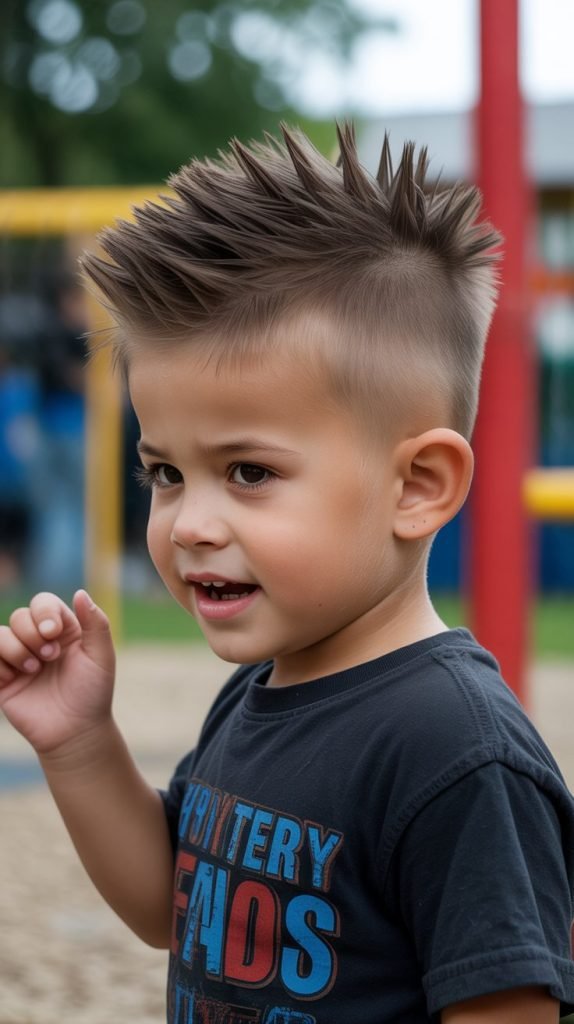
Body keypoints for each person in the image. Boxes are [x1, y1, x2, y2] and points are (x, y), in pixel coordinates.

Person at [0, 125, 573, 1024]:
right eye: (165, 473)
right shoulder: (262, 689)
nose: (189, 523)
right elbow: (167, 907)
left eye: (250, 474)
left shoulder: (457, 753)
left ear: (417, 486)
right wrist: (78, 743)